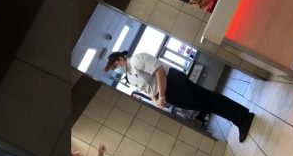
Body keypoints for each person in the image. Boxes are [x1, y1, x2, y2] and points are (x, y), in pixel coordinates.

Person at [104, 50, 255, 142]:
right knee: (205, 106)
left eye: (114, 66)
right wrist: (157, 100)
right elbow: (147, 90)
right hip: (168, 94)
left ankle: (244, 115)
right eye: (113, 69)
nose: (115, 69)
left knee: (209, 98)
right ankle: (237, 120)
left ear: (120, 59)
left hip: (173, 82)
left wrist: (161, 96)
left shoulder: (137, 59)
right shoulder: (129, 77)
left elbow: (160, 72)